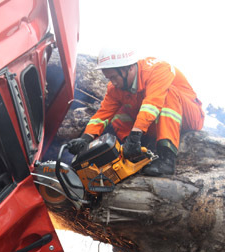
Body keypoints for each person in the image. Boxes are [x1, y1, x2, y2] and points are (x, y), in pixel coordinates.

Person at [68, 47, 204, 176]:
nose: (113, 82)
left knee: (168, 94)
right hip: (155, 124)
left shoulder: (159, 69)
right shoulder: (115, 89)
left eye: (114, 77)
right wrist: (85, 139)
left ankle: (166, 158)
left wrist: (136, 134)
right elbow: (103, 115)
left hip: (189, 117)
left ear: (129, 68)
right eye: (109, 78)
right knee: (118, 111)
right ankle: (135, 153)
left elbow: (152, 104)